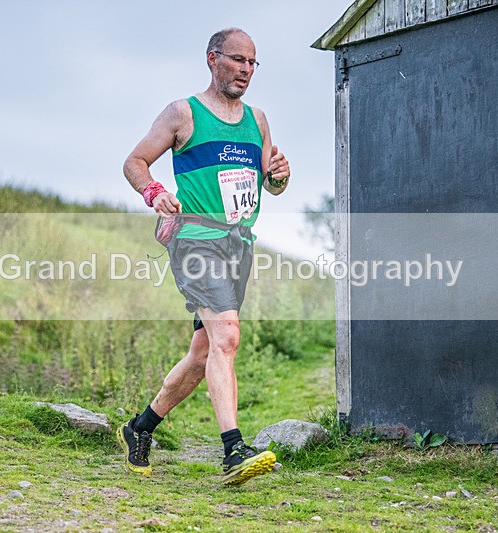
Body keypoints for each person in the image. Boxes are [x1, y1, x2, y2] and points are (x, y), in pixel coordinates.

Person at [119, 27, 291, 486]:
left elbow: (270, 185)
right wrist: (154, 192)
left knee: (203, 353)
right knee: (228, 337)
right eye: (237, 60)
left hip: (240, 243)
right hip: (195, 239)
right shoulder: (183, 113)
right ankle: (234, 449)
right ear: (212, 59)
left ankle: (140, 428)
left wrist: (279, 174)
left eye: (252, 63)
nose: (246, 70)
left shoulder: (258, 120)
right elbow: (135, 162)